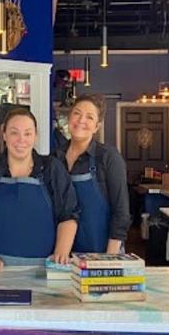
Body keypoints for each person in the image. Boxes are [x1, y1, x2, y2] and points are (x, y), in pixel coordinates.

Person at [0, 107, 79, 269]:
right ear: (4, 135)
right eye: (14, 133)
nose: (21, 140)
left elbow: (68, 216)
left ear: (35, 136)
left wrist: (61, 254)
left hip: (44, 269)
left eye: (27, 133)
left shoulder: (52, 169)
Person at [52, 95, 130, 254]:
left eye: (89, 117)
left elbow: (121, 211)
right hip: (62, 254)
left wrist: (110, 258)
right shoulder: (55, 158)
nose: (81, 120)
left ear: (96, 126)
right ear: (69, 118)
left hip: (103, 252)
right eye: (77, 113)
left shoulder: (108, 157)